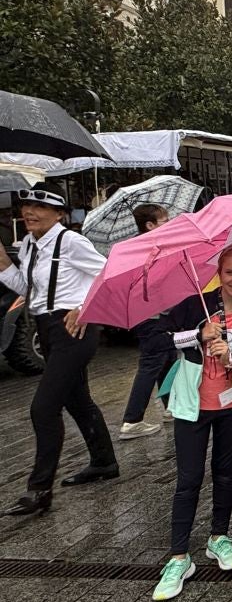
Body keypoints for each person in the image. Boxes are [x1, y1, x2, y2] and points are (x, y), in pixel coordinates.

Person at [150, 244, 232, 601]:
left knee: (225, 473)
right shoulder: (195, 306)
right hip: (192, 406)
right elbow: (156, 340)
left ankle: (218, 537)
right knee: (189, 478)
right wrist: (197, 335)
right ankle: (178, 557)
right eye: (230, 272)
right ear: (219, 274)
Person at [0, 184, 119, 517]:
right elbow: (29, 288)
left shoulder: (72, 241)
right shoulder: (28, 244)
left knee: (43, 408)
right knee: (77, 399)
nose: (28, 212)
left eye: (38, 207)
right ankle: (104, 462)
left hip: (74, 329)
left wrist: (85, 306)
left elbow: (108, 275)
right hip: (46, 328)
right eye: (25, 206)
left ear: (59, 214)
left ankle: (39, 490)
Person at [118, 204, 175, 439]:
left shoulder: (144, 248)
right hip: (151, 317)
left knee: (167, 359)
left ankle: (171, 407)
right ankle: (133, 419)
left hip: (152, 316)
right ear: (150, 225)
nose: (169, 223)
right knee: (151, 364)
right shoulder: (148, 251)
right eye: (164, 221)